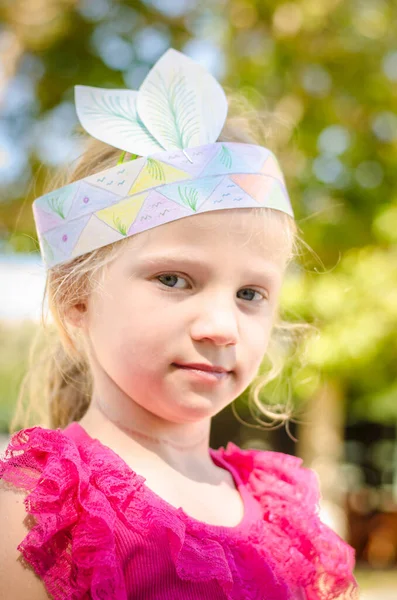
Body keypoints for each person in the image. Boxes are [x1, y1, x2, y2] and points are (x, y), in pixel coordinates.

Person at [0, 49, 359, 599]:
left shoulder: (286, 519)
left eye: (250, 293)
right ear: (77, 300)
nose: (221, 326)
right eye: (174, 279)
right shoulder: (37, 517)